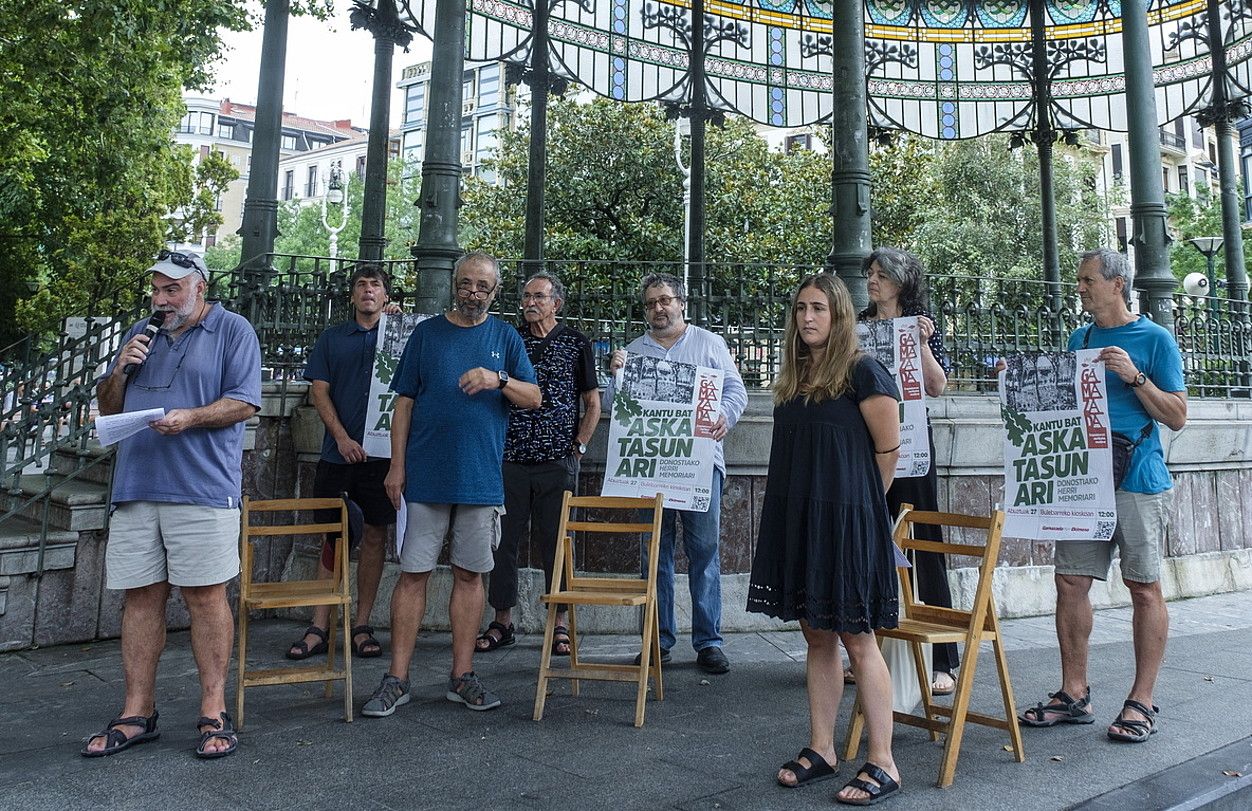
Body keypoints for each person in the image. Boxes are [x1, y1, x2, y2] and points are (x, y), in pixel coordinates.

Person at [83, 250, 261, 759]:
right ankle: (137, 712)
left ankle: (212, 711)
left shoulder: (233, 331)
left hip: (202, 488)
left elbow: (245, 401)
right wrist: (119, 371)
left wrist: (191, 417)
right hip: (137, 485)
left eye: (171, 290)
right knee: (140, 598)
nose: (160, 301)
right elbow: (109, 408)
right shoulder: (142, 333)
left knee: (206, 598)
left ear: (199, 288)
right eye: (157, 291)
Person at [1017, 248, 1186, 743]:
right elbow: (1061, 408)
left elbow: (1176, 415)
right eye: (1079, 280)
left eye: (1088, 280)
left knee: (1143, 586)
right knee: (1070, 581)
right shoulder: (1080, 338)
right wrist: (1022, 380)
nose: (1081, 287)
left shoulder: (1155, 338)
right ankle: (1074, 694)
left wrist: (1134, 376)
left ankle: (1142, 700)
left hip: (1137, 477)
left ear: (1117, 284)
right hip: (1083, 479)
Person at [746, 273, 903, 805]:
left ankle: (882, 761)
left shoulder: (865, 372)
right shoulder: (794, 375)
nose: (807, 318)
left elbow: (887, 452)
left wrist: (859, 510)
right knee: (816, 635)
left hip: (850, 523)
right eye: (800, 309)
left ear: (838, 315)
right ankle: (823, 748)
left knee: (859, 639)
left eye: (818, 308)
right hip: (801, 518)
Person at [363, 252, 541, 717]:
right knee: (413, 575)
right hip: (425, 476)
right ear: (454, 285)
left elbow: (534, 396)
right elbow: (402, 404)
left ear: (495, 291)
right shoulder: (427, 334)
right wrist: (395, 467)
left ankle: (462, 675)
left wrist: (498, 378)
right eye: (466, 283)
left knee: (470, 575)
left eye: (483, 284)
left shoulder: (505, 337)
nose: (473, 291)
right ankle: (396, 678)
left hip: (481, 480)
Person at [607, 272, 747, 675]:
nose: (658, 308)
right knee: (655, 556)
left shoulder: (709, 343)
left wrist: (724, 416)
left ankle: (709, 642)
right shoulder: (633, 351)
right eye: (651, 303)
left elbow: (735, 391)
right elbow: (619, 408)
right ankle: (658, 640)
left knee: (704, 553)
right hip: (650, 470)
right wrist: (615, 373)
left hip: (701, 466)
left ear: (681, 302)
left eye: (665, 300)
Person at [476, 271, 601, 657]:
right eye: (526, 297)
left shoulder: (576, 343)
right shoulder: (508, 340)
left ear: (555, 304)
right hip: (511, 458)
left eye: (538, 297)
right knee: (503, 543)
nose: (530, 303)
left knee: (557, 542)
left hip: (557, 461)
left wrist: (577, 446)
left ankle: (559, 623)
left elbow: (592, 401)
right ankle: (502, 621)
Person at [854, 246, 959, 696]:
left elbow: (937, 386)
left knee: (922, 541)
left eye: (880, 275)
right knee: (869, 539)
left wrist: (918, 343)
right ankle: (870, 652)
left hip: (911, 446)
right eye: (871, 274)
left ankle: (943, 660)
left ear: (901, 282)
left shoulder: (921, 325)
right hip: (865, 446)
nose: (872, 281)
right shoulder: (857, 323)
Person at [285, 265, 399, 662]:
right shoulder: (332, 338)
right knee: (333, 538)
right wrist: (342, 438)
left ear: (386, 296)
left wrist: (400, 332)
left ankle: (362, 624)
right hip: (338, 453)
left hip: (382, 456)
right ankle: (319, 624)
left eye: (376, 286)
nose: (368, 291)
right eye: (361, 285)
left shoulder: (399, 338)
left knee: (374, 536)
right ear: (352, 296)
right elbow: (319, 392)